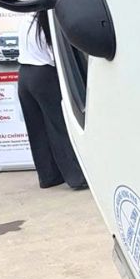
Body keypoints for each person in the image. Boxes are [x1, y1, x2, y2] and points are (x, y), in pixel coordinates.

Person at [16, 12, 87, 190]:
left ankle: (48, 176)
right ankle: (76, 177)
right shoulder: (46, 21)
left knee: (36, 129)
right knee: (58, 126)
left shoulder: (25, 19)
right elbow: (56, 54)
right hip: (43, 75)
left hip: (24, 76)